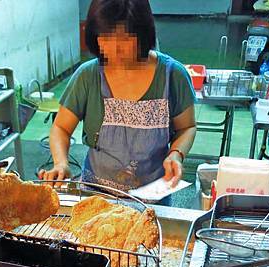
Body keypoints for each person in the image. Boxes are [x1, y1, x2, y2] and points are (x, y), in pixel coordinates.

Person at [38, 0, 196, 205]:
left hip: (152, 201)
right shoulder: (88, 76)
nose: (113, 50)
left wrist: (176, 155)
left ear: (142, 33)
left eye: (124, 39)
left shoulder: (172, 75)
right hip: (96, 198)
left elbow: (187, 127)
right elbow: (60, 127)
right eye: (104, 38)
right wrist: (61, 163)